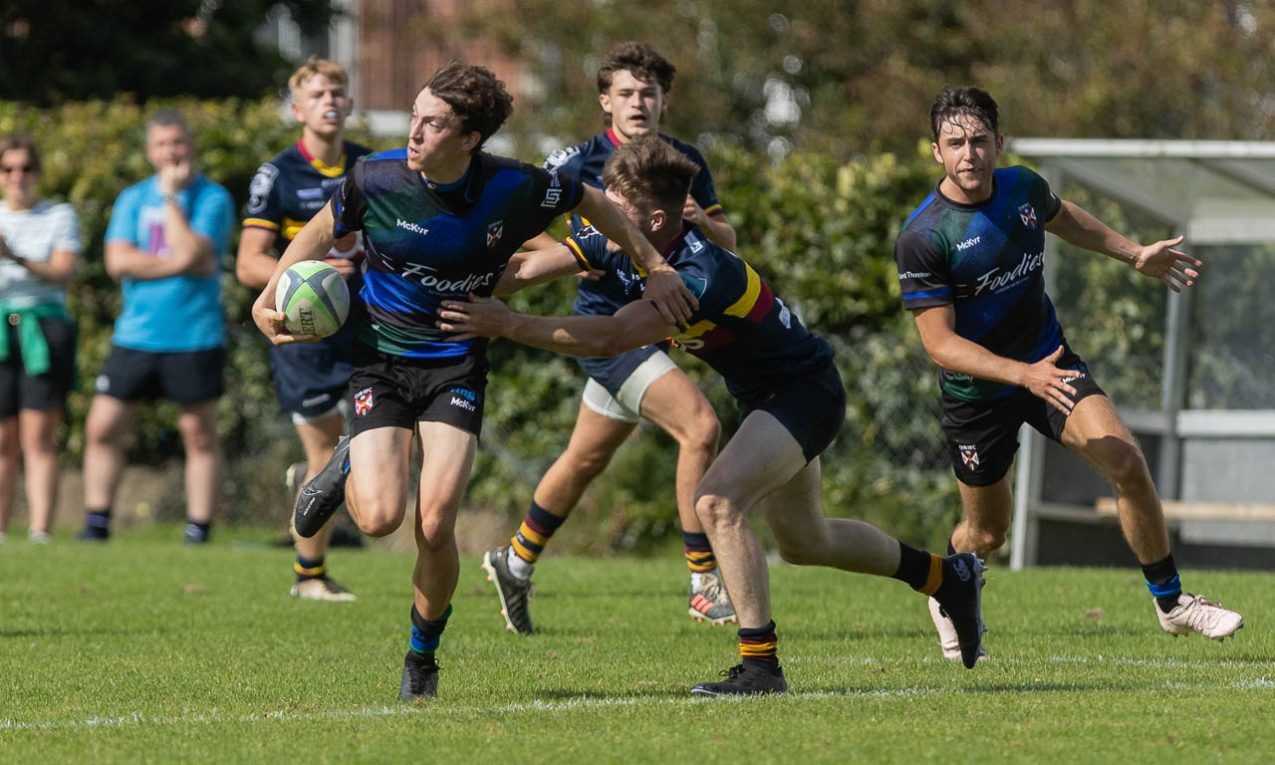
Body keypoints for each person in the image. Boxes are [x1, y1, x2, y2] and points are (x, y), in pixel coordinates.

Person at [437, 136, 988, 696]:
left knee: (716, 503)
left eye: (614, 202)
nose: (600, 209)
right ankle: (947, 577)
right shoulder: (615, 235)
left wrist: (508, 326)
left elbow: (612, 337)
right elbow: (525, 271)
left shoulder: (699, 274)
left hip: (804, 392)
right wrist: (439, 270)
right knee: (806, 542)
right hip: (764, 397)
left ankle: (761, 667)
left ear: (653, 219)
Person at [251, 62, 697, 702]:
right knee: (379, 519)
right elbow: (319, 234)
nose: (414, 133)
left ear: (468, 138)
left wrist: (653, 264)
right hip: (381, 360)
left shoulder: (515, 186)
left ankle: (421, 661)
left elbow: (595, 202)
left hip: (457, 364)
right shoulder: (374, 178)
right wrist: (270, 298)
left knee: (435, 527)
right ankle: (344, 463)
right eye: (413, 116)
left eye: (432, 124)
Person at [893, 86, 1243, 660]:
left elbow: (1063, 219)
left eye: (980, 141)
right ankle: (948, 584)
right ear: (936, 151)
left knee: (1127, 462)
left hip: (1051, 362)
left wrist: (1134, 255)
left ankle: (1173, 604)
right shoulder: (923, 237)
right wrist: (1020, 375)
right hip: (978, 396)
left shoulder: (1023, 187)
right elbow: (940, 344)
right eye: (955, 143)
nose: (969, 155)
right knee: (987, 536)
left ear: (998, 143)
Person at [482, 41, 737, 636]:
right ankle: (704, 582)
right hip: (611, 330)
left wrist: (704, 222)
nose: (638, 102)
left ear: (664, 101)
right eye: (626, 92)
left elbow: (728, 245)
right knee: (700, 427)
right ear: (606, 102)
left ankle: (514, 560)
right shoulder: (576, 162)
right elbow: (514, 232)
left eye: (648, 93)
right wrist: (577, 254)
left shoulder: (684, 161)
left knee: (584, 459)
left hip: (661, 328)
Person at [236, 57, 372, 601]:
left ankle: (312, 487)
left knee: (377, 442)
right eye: (317, 94)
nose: (330, 101)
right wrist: (308, 277)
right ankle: (308, 577)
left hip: (368, 326)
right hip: (305, 332)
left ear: (350, 104)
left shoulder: (372, 167)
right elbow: (249, 262)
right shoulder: (278, 176)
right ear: (298, 109)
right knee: (327, 453)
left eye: (338, 92)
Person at [78, 110, 234, 544]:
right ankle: (96, 522)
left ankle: (198, 528)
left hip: (194, 333)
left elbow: (192, 254)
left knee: (197, 432)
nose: (171, 152)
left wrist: (170, 202)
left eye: (178, 143)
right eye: (163, 144)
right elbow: (117, 261)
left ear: (191, 145)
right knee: (103, 426)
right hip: (136, 333)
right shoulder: (131, 198)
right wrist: (181, 264)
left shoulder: (212, 199)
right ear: (150, 151)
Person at [0, 134, 80, 544]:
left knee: (37, 436)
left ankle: (40, 531)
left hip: (44, 329)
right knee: (2, 437)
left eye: (25, 168)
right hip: (1, 328)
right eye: (8, 168)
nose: (17, 177)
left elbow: (63, 271)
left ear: (37, 173)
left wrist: (13, 257)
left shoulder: (58, 216)